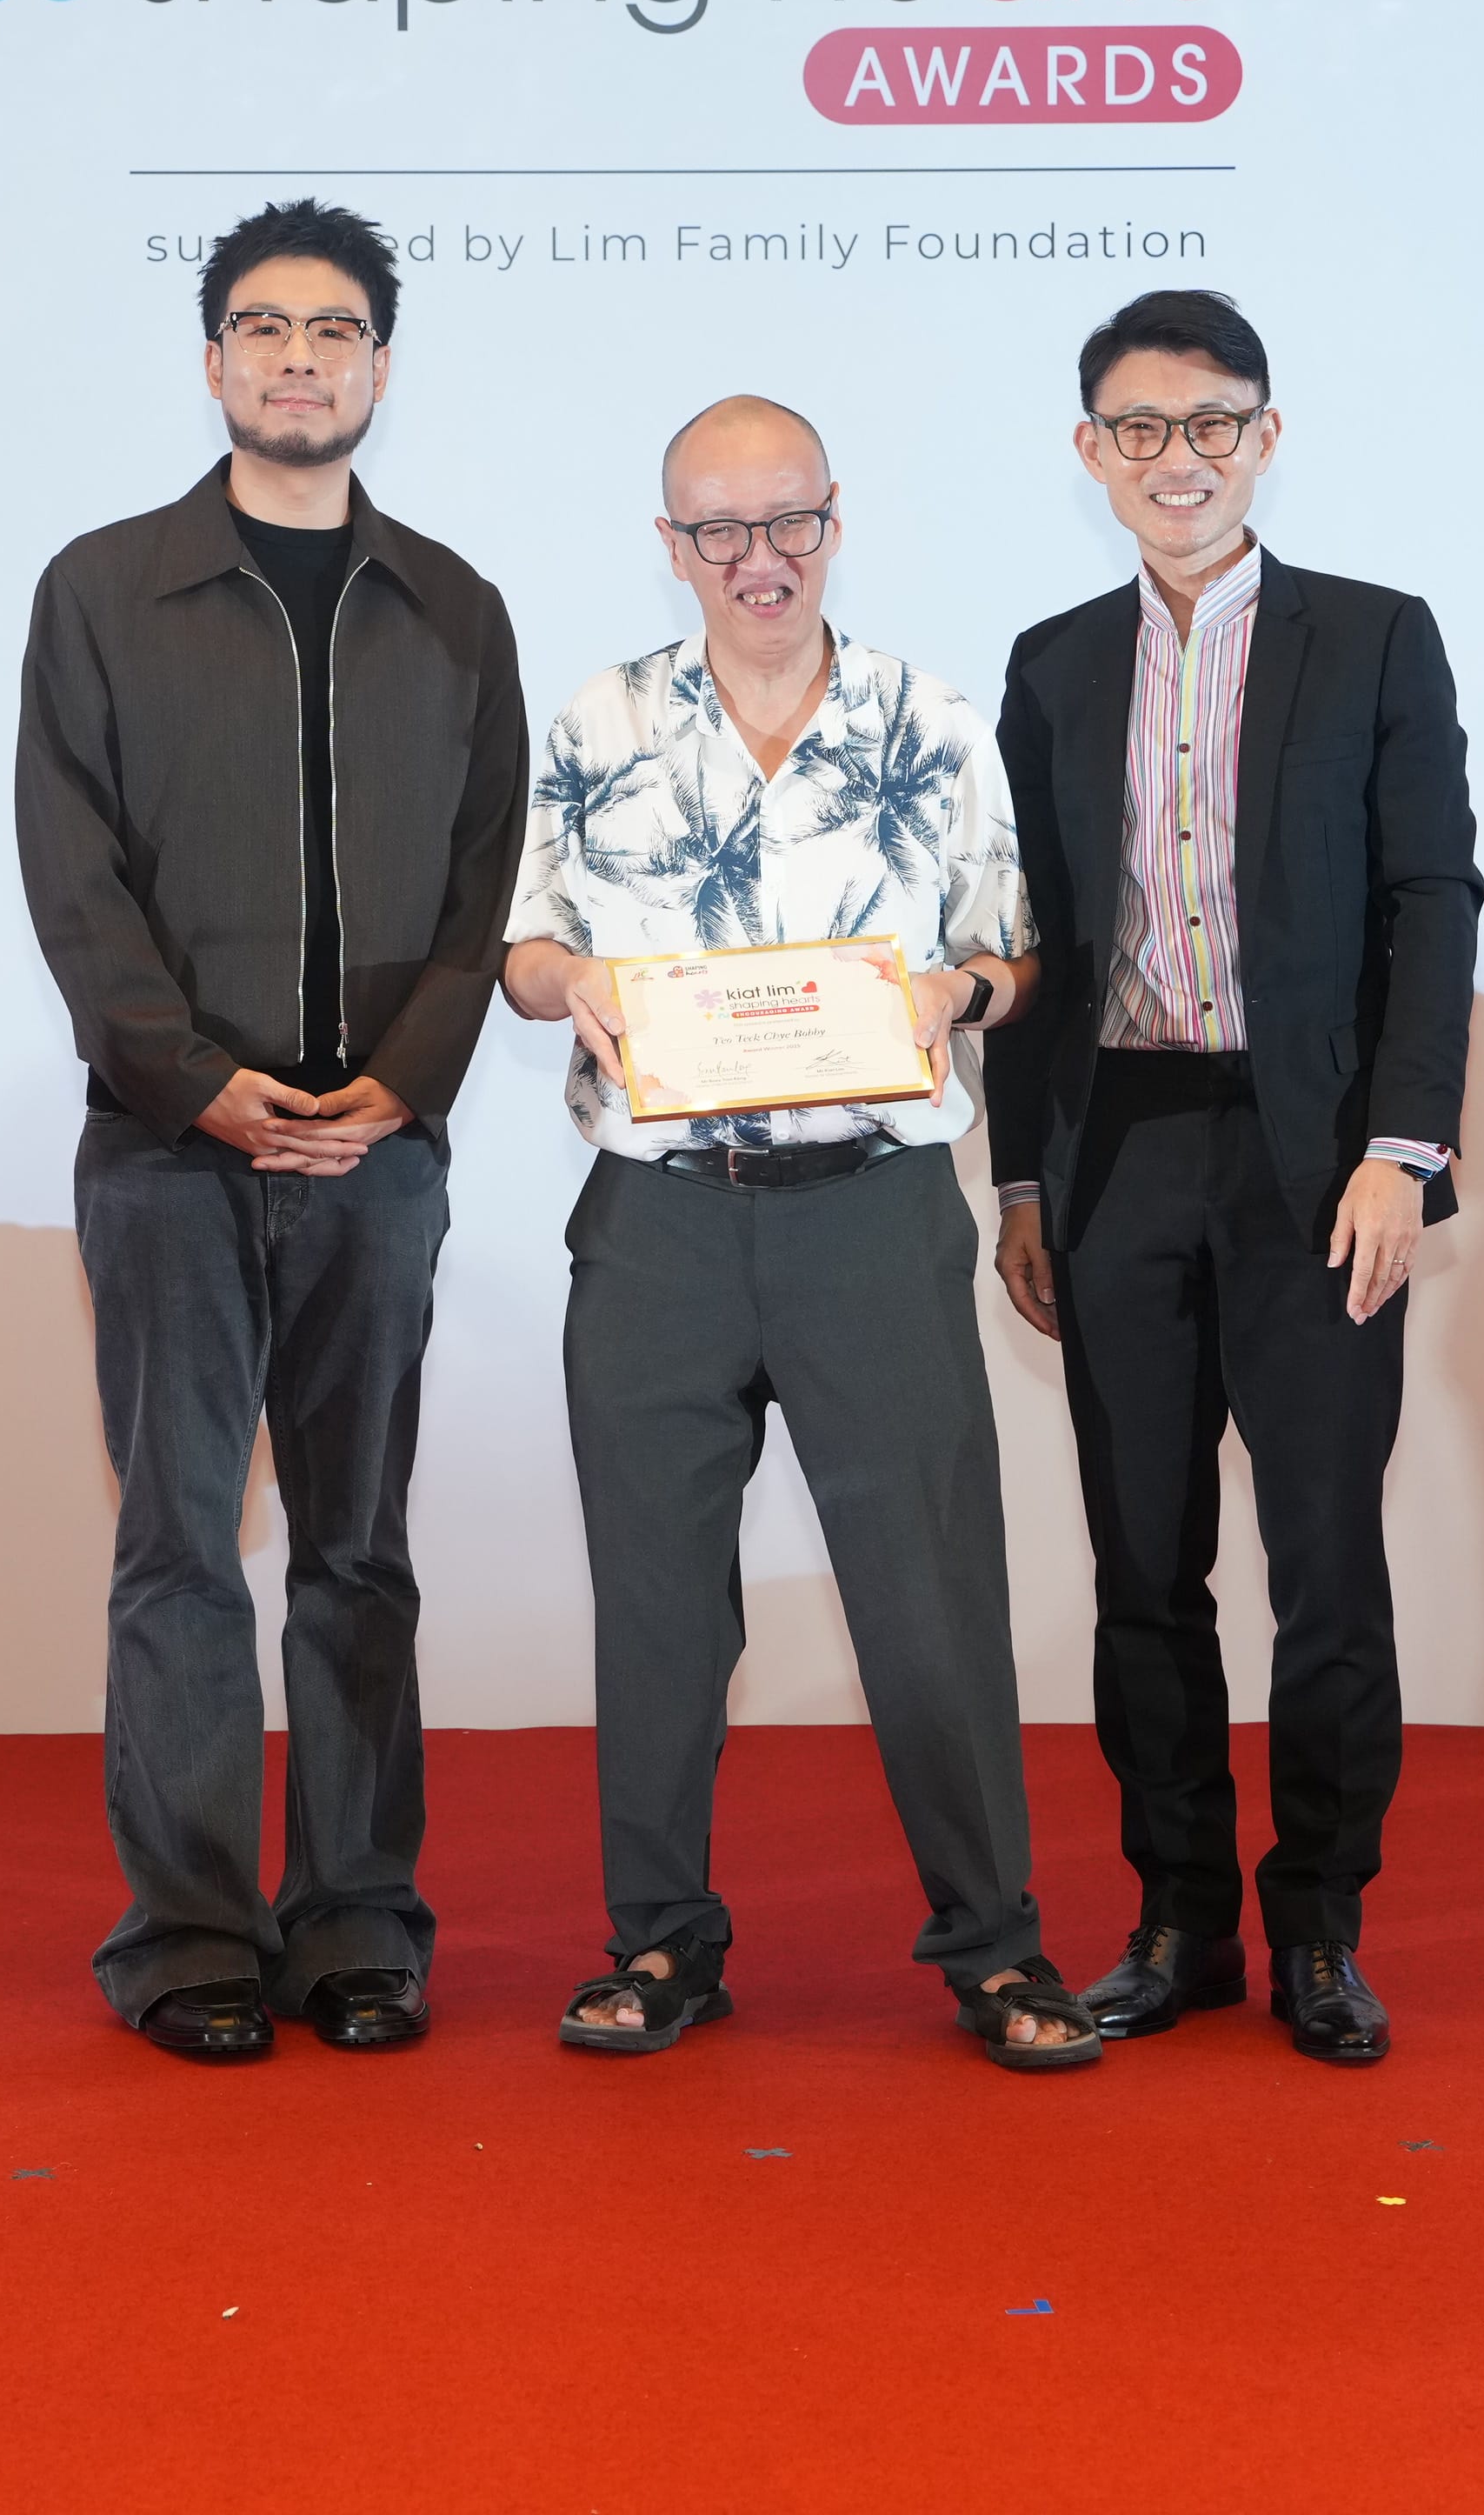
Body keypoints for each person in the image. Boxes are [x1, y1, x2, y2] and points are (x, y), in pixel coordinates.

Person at [499, 395, 1098, 2072]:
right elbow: (525, 944)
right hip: (661, 1219)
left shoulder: (933, 717)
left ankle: (996, 1949)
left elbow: (1019, 950)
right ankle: (660, 1945)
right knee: (660, 1599)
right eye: (718, 532)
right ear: (671, 544)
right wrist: (578, 986)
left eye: (789, 526)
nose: (757, 562)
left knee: (929, 1597)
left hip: (874, 1213)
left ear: (837, 520)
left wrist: (957, 988)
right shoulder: (601, 719)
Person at [13, 200, 528, 2061]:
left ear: (382, 364)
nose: (299, 357)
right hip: (167, 1155)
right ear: (213, 360)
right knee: (175, 1550)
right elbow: (73, 880)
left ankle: (360, 1928)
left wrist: (405, 1080)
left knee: (358, 1551)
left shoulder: (455, 607)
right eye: (263, 327)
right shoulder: (102, 590)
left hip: (379, 1158)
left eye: (334, 330)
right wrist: (194, 1082)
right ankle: (190, 1938)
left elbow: (488, 887)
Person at [985, 288, 1482, 2066]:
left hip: (1312, 1162)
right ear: (1089, 452)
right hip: (1117, 1146)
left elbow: (1432, 904)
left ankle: (1323, 1923)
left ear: (1267, 436)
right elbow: (1029, 941)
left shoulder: (1372, 641)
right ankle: (1181, 1920)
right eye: (1138, 428)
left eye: (1209, 425)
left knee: (1329, 1563)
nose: (1174, 459)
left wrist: (1400, 1155)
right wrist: (1021, 1188)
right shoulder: (1051, 664)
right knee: (1142, 1569)